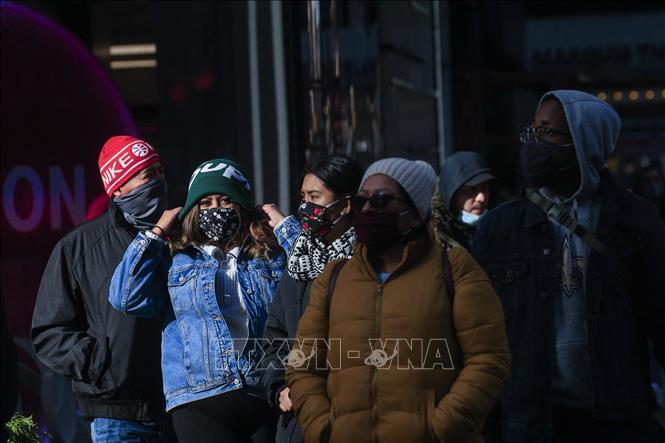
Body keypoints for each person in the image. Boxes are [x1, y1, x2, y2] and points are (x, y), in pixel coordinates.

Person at [473, 90, 665, 442]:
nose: (533, 143)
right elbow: (478, 338)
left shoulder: (635, 221)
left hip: (615, 417)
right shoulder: (499, 228)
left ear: (583, 143)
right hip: (531, 422)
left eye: (548, 132)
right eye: (532, 131)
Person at [286, 158, 511, 443]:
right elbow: (302, 363)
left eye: (381, 200)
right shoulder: (335, 277)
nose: (367, 210)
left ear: (415, 212)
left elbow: (489, 359)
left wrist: (440, 428)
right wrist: (323, 428)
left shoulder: (455, 269)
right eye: (362, 200)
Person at [109, 158, 288, 443]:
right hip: (199, 400)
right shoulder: (177, 258)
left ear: (240, 204)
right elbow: (125, 297)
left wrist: (285, 226)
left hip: (264, 392)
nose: (214, 209)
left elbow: (314, 279)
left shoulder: (268, 255)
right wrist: (156, 233)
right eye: (205, 203)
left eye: (224, 200)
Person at [31, 136, 173, 442]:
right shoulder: (79, 248)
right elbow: (49, 332)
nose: (159, 182)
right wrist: (99, 365)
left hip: (182, 409)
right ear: (118, 188)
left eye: (160, 172)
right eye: (148, 175)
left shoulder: (182, 235)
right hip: (117, 417)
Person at [260, 154, 363, 443]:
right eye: (303, 196)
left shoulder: (367, 260)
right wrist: (280, 387)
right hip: (298, 423)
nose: (306, 206)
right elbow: (275, 336)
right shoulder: (299, 261)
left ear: (345, 205)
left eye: (315, 196)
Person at [433, 151, 496, 249]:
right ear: (451, 194)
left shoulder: (504, 228)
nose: (481, 198)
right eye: (470, 190)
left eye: (485, 187)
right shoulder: (434, 240)